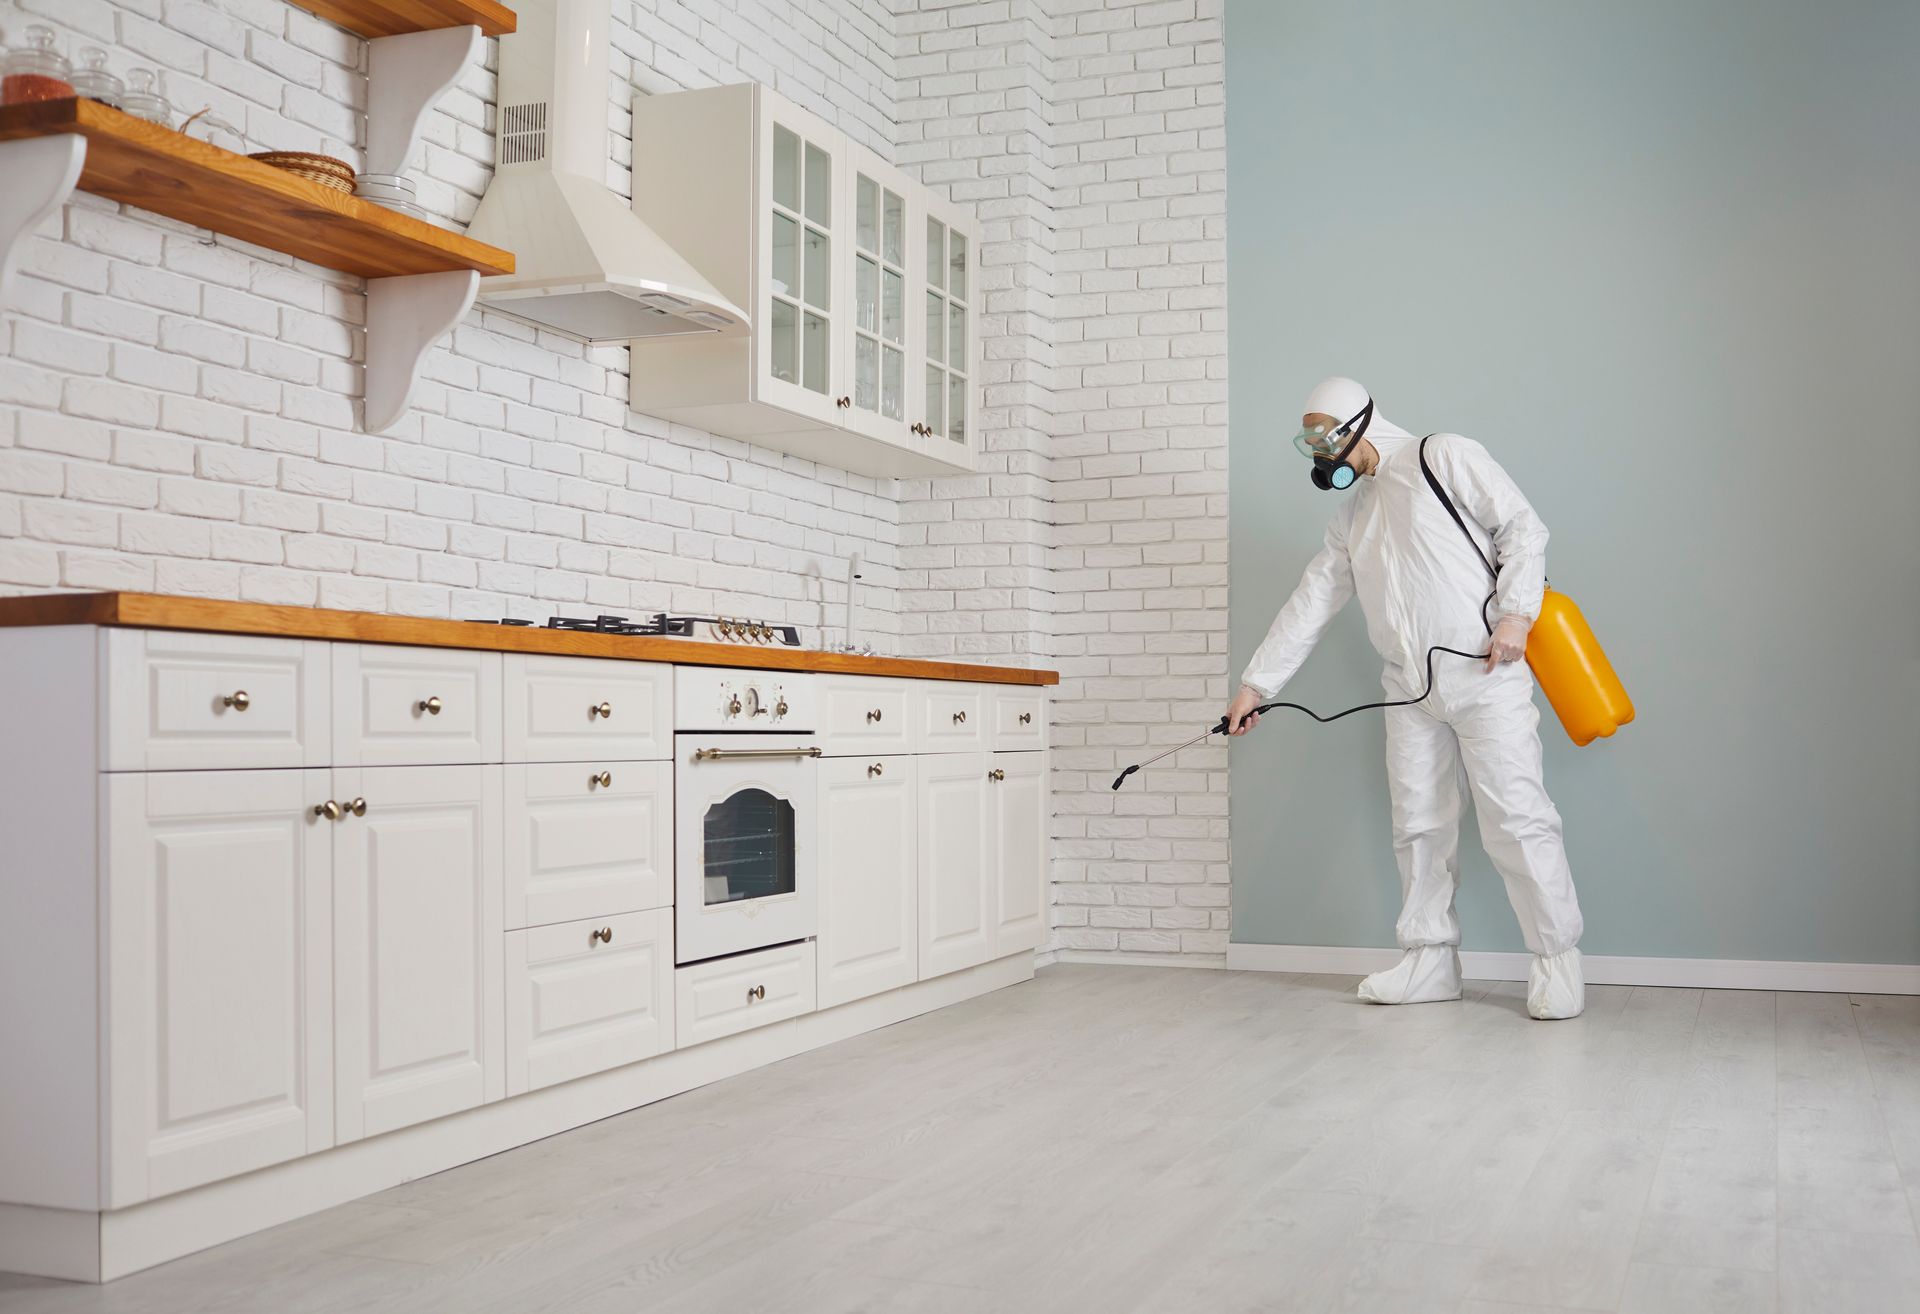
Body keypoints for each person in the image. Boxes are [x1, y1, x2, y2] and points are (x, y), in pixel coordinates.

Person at [1226, 376, 1586, 1020]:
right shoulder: (1353, 516)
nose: (1318, 453)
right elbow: (1312, 601)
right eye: (1308, 442)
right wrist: (1257, 685)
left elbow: (1523, 528)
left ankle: (1557, 962)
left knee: (1517, 818)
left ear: (1357, 421)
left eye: (1323, 436)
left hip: (1485, 672)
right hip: (1407, 691)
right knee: (1418, 825)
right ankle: (1428, 961)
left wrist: (1515, 616)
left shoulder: (1441, 455)